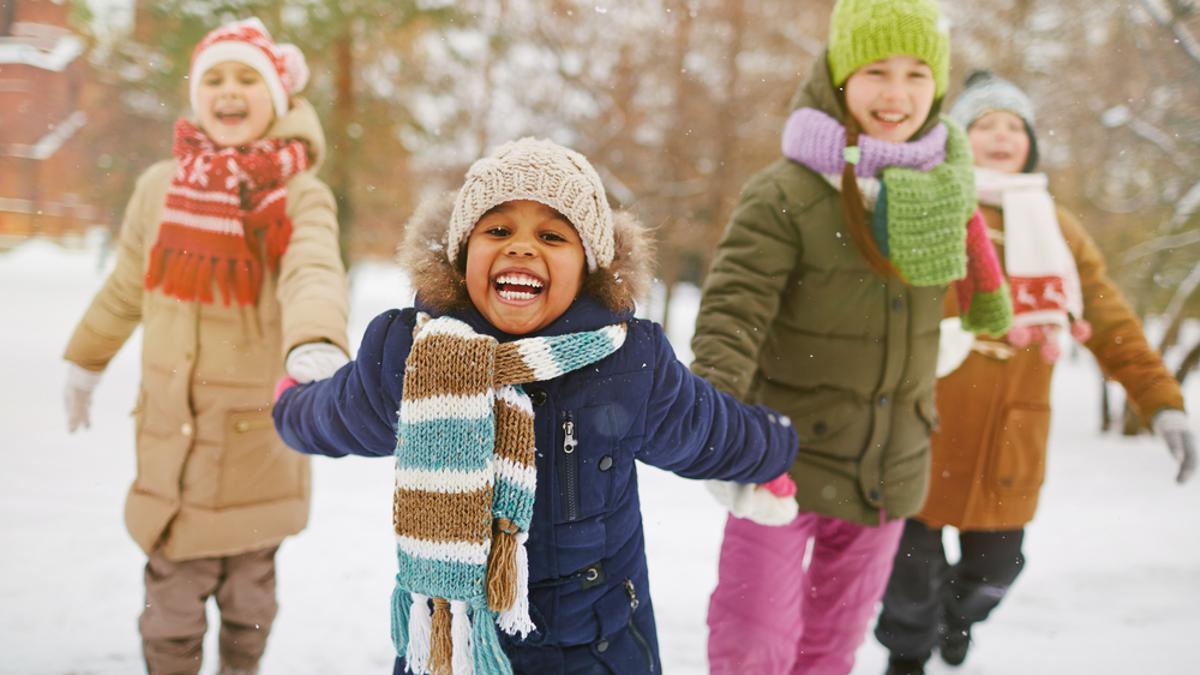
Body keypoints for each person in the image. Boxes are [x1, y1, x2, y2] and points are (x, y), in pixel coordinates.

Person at [270, 136, 799, 674]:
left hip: (596, 648)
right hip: (454, 646)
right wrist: (293, 406)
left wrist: (774, 451)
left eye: (552, 235)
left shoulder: (628, 365)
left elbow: (710, 430)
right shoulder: (411, 355)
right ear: (461, 254)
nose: (522, 247)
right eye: (498, 230)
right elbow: (338, 414)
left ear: (589, 267)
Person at [695, 1, 1015, 672]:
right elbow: (733, 314)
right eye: (876, 71)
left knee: (829, 650)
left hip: (886, 470)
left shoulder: (943, 191)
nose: (896, 95)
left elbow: (950, 298)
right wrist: (720, 435)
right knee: (754, 644)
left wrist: (951, 337)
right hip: (779, 461)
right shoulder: (785, 192)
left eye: (916, 74)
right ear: (840, 72)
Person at [873, 70, 1197, 675]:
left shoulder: (1059, 229)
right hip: (922, 429)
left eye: (1014, 126)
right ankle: (908, 652)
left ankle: (960, 618)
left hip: (1007, 440)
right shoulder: (928, 206)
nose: (1001, 135)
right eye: (985, 124)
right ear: (958, 140)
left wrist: (1163, 402)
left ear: (1031, 144)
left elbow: (1111, 323)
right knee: (906, 571)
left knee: (996, 569)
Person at [61, 18, 349, 675]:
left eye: (248, 77)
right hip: (173, 445)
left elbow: (312, 270)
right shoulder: (160, 187)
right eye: (214, 77)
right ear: (196, 96)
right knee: (170, 607)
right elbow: (127, 284)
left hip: (254, 446)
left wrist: (317, 340)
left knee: (250, 601)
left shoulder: (297, 193)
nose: (228, 89)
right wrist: (85, 359)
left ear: (277, 97)